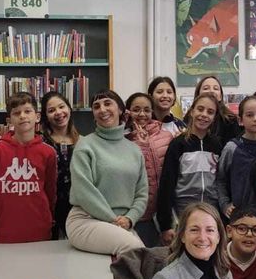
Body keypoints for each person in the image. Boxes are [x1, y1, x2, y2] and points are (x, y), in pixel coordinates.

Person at [67, 90, 147, 255]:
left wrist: (130, 218)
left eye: (107, 103)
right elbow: (84, 192)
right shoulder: (85, 145)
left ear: (120, 110)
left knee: (143, 256)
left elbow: (142, 193)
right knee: (136, 251)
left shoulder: (134, 150)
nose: (102, 109)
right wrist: (114, 220)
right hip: (86, 220)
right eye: (96, 106)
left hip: (121, 224)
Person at [0, 92, 57, 243]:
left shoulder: (48, 152)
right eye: (16, 113)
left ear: (37, 117)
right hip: (6, 227)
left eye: (27, 111)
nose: (22, 116)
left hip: (39, 226)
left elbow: (50, 190)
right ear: (9, 120)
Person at [156, 93, 223, 239]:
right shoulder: (178, 144)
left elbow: (221, 181)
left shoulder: (217, 145)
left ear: (214, 117)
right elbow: (167, 184)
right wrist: (166, 225)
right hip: (183, 212)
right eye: (200, 109)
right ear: (192, 111)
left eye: (210, 112)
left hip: (211, 212)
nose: (204, 115)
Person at [216, 95, 256, 219]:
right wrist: (224, 204)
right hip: (240, 215)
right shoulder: (231, 148)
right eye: (250, 115)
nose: (255, 119)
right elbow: (220, 180)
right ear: (241, 120)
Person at [124, 92, 173, 247]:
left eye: (146, 110)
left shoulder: (167, 136)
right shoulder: (123, 139)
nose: (142, 114)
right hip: (139, 214)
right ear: (127, 112)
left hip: (165, 211)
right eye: (136, 109)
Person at [40, 91, 79, 240]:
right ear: (45, 117)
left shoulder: (83, 141)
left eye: (61, 107)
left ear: (69, 108)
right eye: (51, 110)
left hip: (77, 207)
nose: (58, 112)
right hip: (49, 207)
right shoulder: (41, 143)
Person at [193, 75, 240, 147]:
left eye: (215, 88)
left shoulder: (230, 120)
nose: (211, 91)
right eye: (206, 88)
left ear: (220, 96)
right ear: (198, 94)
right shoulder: (190, 118)